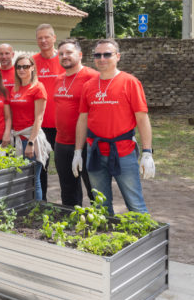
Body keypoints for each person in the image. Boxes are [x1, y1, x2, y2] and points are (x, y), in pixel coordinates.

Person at [75, 39, 154, 215]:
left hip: (123, 152)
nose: (102, 58)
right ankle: (106, 232)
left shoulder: (130, 82)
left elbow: (142, 118)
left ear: (117, 56)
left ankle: (143, 232)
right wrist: (78, 151)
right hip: (95, 152)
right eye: (97, 55)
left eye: (107, 54)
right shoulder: (88, 86)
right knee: (100, 206)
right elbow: (83, 119)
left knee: (135, 204)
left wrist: (147, 152)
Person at [53, 39, 97, 207]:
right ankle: (72, 218)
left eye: (69, 53)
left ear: (80, 55)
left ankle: (100, 220)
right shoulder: (59, 79)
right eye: (61, 54)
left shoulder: (92, 77)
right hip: (61, 143)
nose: (65, 56)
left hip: (86, 144)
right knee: (67, 189)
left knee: (94, 189)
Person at [8, 54, 50, 200]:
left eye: (25, 66)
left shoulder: (38, 88)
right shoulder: (14, 89)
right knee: (20, 180)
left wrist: (31, 142)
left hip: (30, 138)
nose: (22, 69)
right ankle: (25, 208)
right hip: (17, 139)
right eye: (19, 67)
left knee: (33, 179)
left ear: (32, 68)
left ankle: (36, 210)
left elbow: (39, 118)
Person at [33, 23, 64, 200]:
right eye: (40, 38)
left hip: (61, 125)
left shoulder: (64, 59)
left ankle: (69, 205)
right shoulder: (32, 62)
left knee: (64, 167)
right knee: (41, 166)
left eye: (47, 37)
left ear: (54, 38)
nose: (43, 40)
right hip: (40, 125)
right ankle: (41, 203)